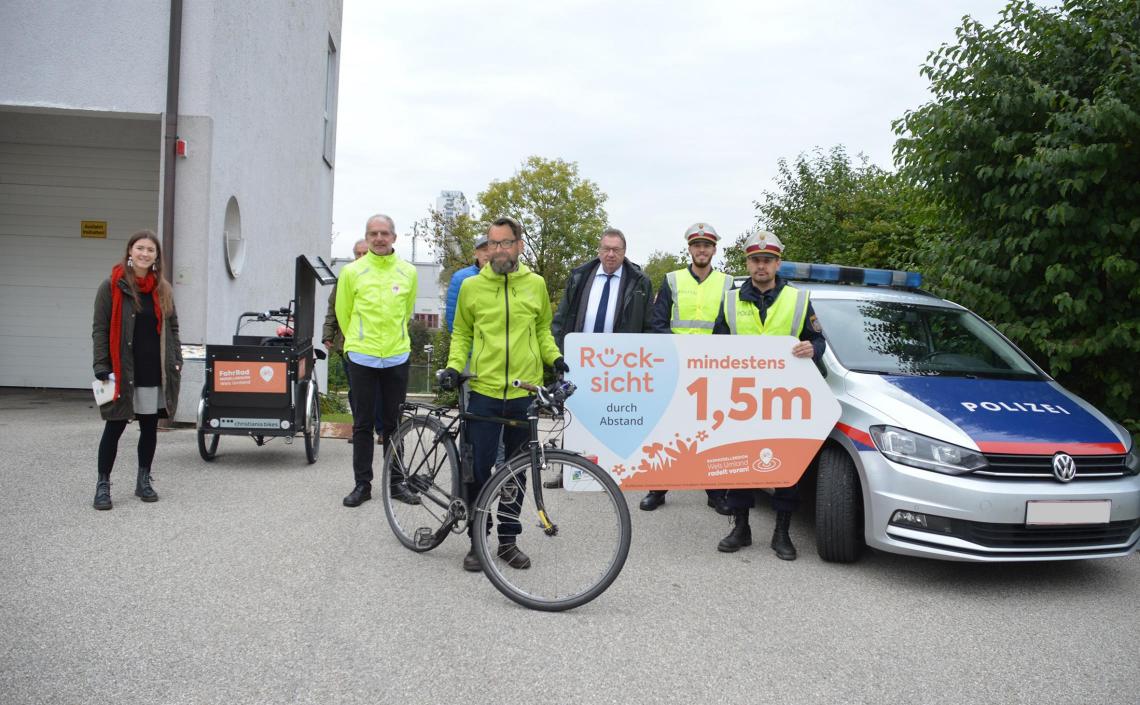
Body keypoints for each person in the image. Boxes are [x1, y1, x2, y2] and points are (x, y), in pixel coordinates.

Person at [438, 216, 567, 572]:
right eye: (493, 244)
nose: (498, 250)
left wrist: (554, 358)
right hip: (483, 388)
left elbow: (542, 328)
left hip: (523, 392)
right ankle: (478, 541)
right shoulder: (472, 287)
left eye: (505, 243)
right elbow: (461, 333)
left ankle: (508, 541)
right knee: (478, 471)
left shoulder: (535, 284)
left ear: (519, 245)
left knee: (515, 471)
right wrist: (453, 366)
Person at [711, 230, 825, 560]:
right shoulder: (731, 300)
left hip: (784, 399)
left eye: (768, 260)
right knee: (741, 463)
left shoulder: (799, 299)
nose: (761, 265)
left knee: (785, 465)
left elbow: (819, 341)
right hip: (742, 397)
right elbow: (716, 345)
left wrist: (811, 348)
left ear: (778, 263)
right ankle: (741, 528)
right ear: (747, 263)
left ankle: (782, 533)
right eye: (756, 260)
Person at [638, 222, 737, 512]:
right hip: (675, 367)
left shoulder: (728, 283)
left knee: (710, 430)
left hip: (711, 368)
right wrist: (679, 352)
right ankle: (657, 488)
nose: (702, 250)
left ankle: (715, 492)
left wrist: (711, 354)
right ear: (690, 249)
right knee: (668, 429)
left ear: (714, 249)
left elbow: (729, 325)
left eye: (707, 245)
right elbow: (658, 323)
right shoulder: (672, 279)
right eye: (697, 245)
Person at [90, 230, 182, 510]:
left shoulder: (163, 288)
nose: (145, 254)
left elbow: (173, 327)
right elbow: (100, 328)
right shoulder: (111, 286)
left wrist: (176, 358)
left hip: (154, 368)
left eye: (150, 250)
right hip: (122, 371)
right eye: (140, 248)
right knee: (114, 426)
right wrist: (101, 364)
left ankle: (144, 479)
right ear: (130, 251)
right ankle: (103, 484)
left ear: (156, 256)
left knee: (149, 427)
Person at [335, 214, 418, 507]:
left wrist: (395, 341)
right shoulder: (352, 272)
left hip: (396, 355)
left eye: (384, 233)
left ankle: (396, 482)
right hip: (362, 356)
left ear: (394, 237)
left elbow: (406, 312)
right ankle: (362, 485)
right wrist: (355, 344)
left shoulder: (408, 272)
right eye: (373, 234)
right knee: (362, 424)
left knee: (394, 424)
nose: (379, 238)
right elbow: (343, 313)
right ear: (367, 238)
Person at [322, 239, 385, 444]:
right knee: (356, 391)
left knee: (377, 390)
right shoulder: (346, 277)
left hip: (377, 344)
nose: (360, 257)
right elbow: (333, 308)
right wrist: (328, 335)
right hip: (348, 345)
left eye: (364, 253)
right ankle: (360, 429)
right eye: (357, 254)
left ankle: (382, 430)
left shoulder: (382, 276)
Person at [551, 227, 653, 351]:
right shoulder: (579, 277)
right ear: (599, 250)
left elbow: (649, 326)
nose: (610, 254)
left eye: (616, 250)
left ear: (624, 252)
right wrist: (556, 355)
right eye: (606, 249)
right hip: (579, 357)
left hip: (622, 360)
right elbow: (560, 320)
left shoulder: (640, 283)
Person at [444, 234, 491, 334]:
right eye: (484, 250)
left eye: (492, 250)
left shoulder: (506, 277)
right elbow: (452, 317)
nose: (488, 254)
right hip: (470, 345)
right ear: (476, 253)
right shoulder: (460, 278)